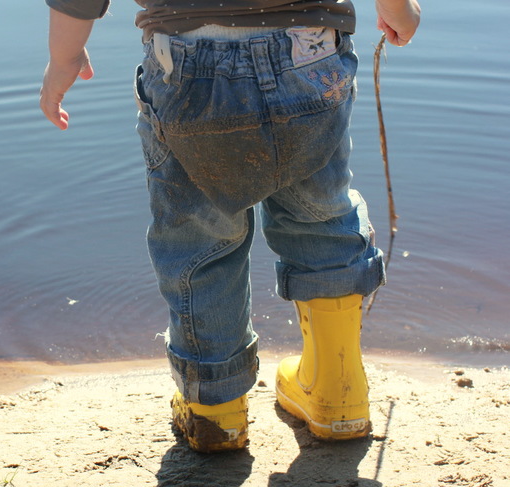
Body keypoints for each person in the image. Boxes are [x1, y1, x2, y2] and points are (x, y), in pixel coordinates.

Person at [40, 0, 421, 453]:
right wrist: (400, 10)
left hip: (185, 58)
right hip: (310, 51)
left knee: (201, 238)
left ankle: (216, 412)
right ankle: (339, 393)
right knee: (321, 216)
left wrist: (64, 58)